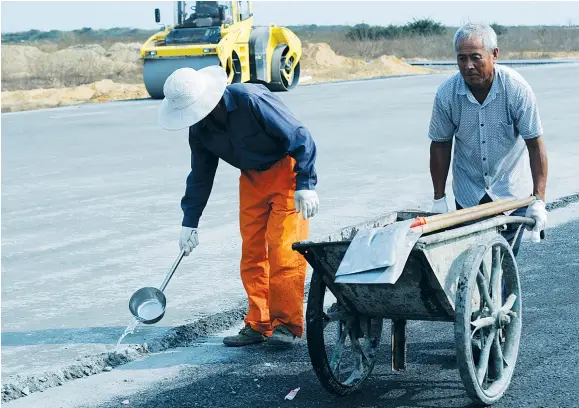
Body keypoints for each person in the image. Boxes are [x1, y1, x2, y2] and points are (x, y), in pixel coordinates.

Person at [158, 66, 319, 347]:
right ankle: (258, 323)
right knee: (252, 253)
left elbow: (300, 136)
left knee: (283, 250)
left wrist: (306, 184)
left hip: (286, 174)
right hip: (251, 179)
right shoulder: (200, 130)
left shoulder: (249, 100)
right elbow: (200, 176)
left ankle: (286, 325)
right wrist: (189, 221)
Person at [428, 22, 548, 256]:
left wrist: (539, 200)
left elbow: (535, 144)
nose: (468, 66)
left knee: (503, 263)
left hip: (510, 192)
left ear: (494, 54)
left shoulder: (516, 89)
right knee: (469, 264)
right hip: (469, 193)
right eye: (462, 58)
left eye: (475, 57)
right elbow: (440, 145)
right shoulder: (447, 94)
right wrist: (438, 198)